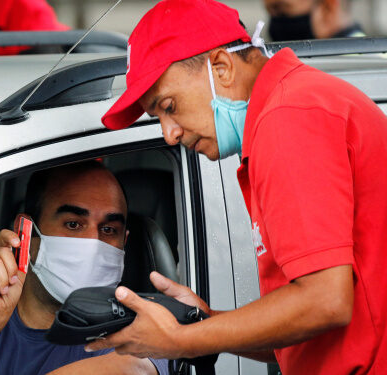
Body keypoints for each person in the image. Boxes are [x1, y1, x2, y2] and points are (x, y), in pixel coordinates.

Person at [85, 1, 387, 374]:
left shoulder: (287, 118)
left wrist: (179, 341)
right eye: (159, 117)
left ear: (222, 67)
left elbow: (325, 301)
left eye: (169, 106)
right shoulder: (290, 107)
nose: (169, 132)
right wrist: (205, 321)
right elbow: (303, 333)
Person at [0, 161, 169, 375]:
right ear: (25, 233)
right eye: (73, 224)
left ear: (125, 243)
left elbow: (137, 368)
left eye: (109, 229)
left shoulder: (143, 327)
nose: (92, 243)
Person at [264, 0, 365, 41]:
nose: (275, 19)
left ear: (328, 8)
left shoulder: (366, 68)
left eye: (282, 10)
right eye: (270, 11)